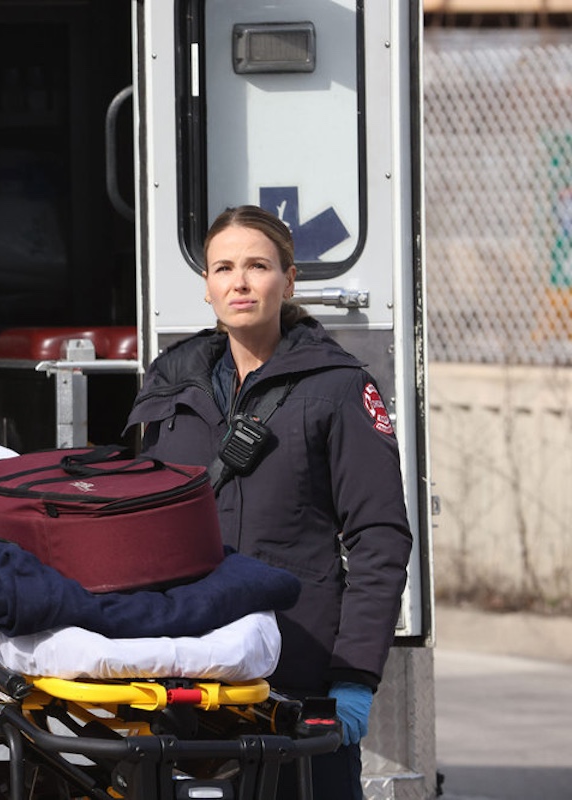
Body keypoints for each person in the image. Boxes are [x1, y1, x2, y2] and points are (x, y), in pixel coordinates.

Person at [126, 205, 412, 799]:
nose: (240, 281)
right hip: (185, 672)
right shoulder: (170, 383)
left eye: (258, 266)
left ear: (288, 279)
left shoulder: (338, 385)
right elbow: (137, 520)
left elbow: (380, 536)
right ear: (206, 286)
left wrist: (353, 676)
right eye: (223, 268)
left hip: (297, 674)